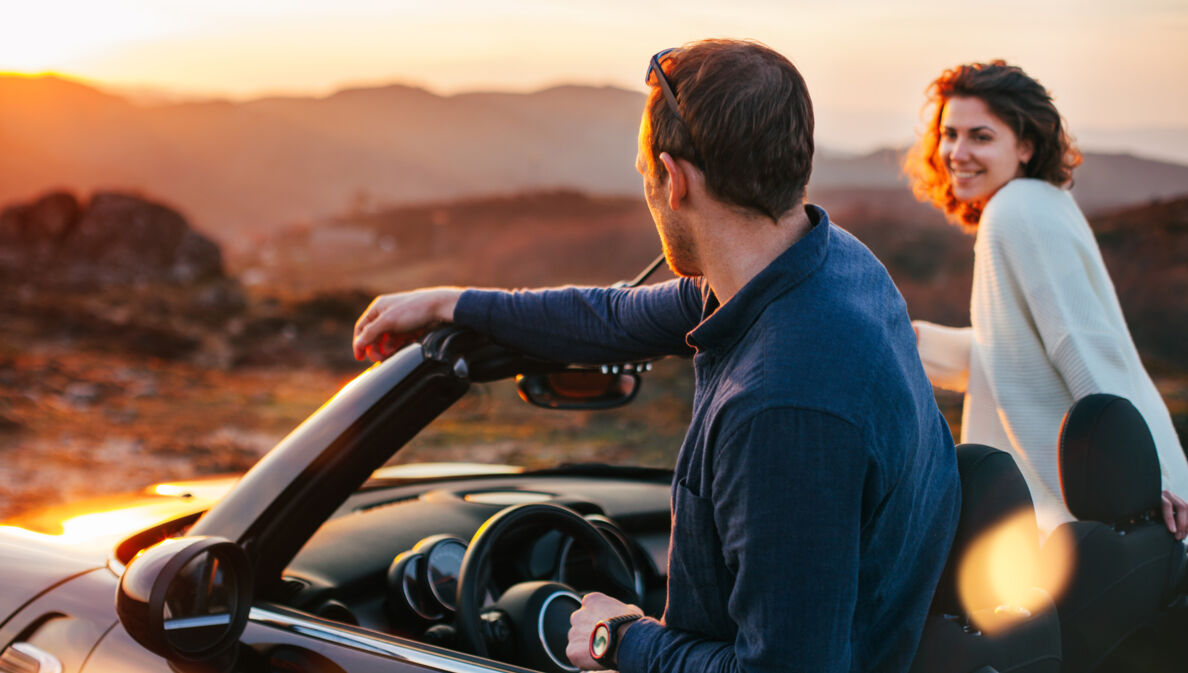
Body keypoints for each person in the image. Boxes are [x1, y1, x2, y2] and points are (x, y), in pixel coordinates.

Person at [354, 39, 960, 673]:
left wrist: (619, 637)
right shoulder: (831, 263)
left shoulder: (783, 408)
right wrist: (458, 303)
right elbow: (615, 317)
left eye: (645, 174)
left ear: (675, 180)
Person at [904, 60, 1188, 538]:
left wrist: (1147, 479)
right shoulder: (1039, 203)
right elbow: (1012, 349)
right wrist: (900, 339)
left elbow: (1080, 342)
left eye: (981, 136)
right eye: (949, 134)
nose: (957, 151)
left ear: (1026, 146)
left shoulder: (1017, 211)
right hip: (1097, 510)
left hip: (1112, 513)